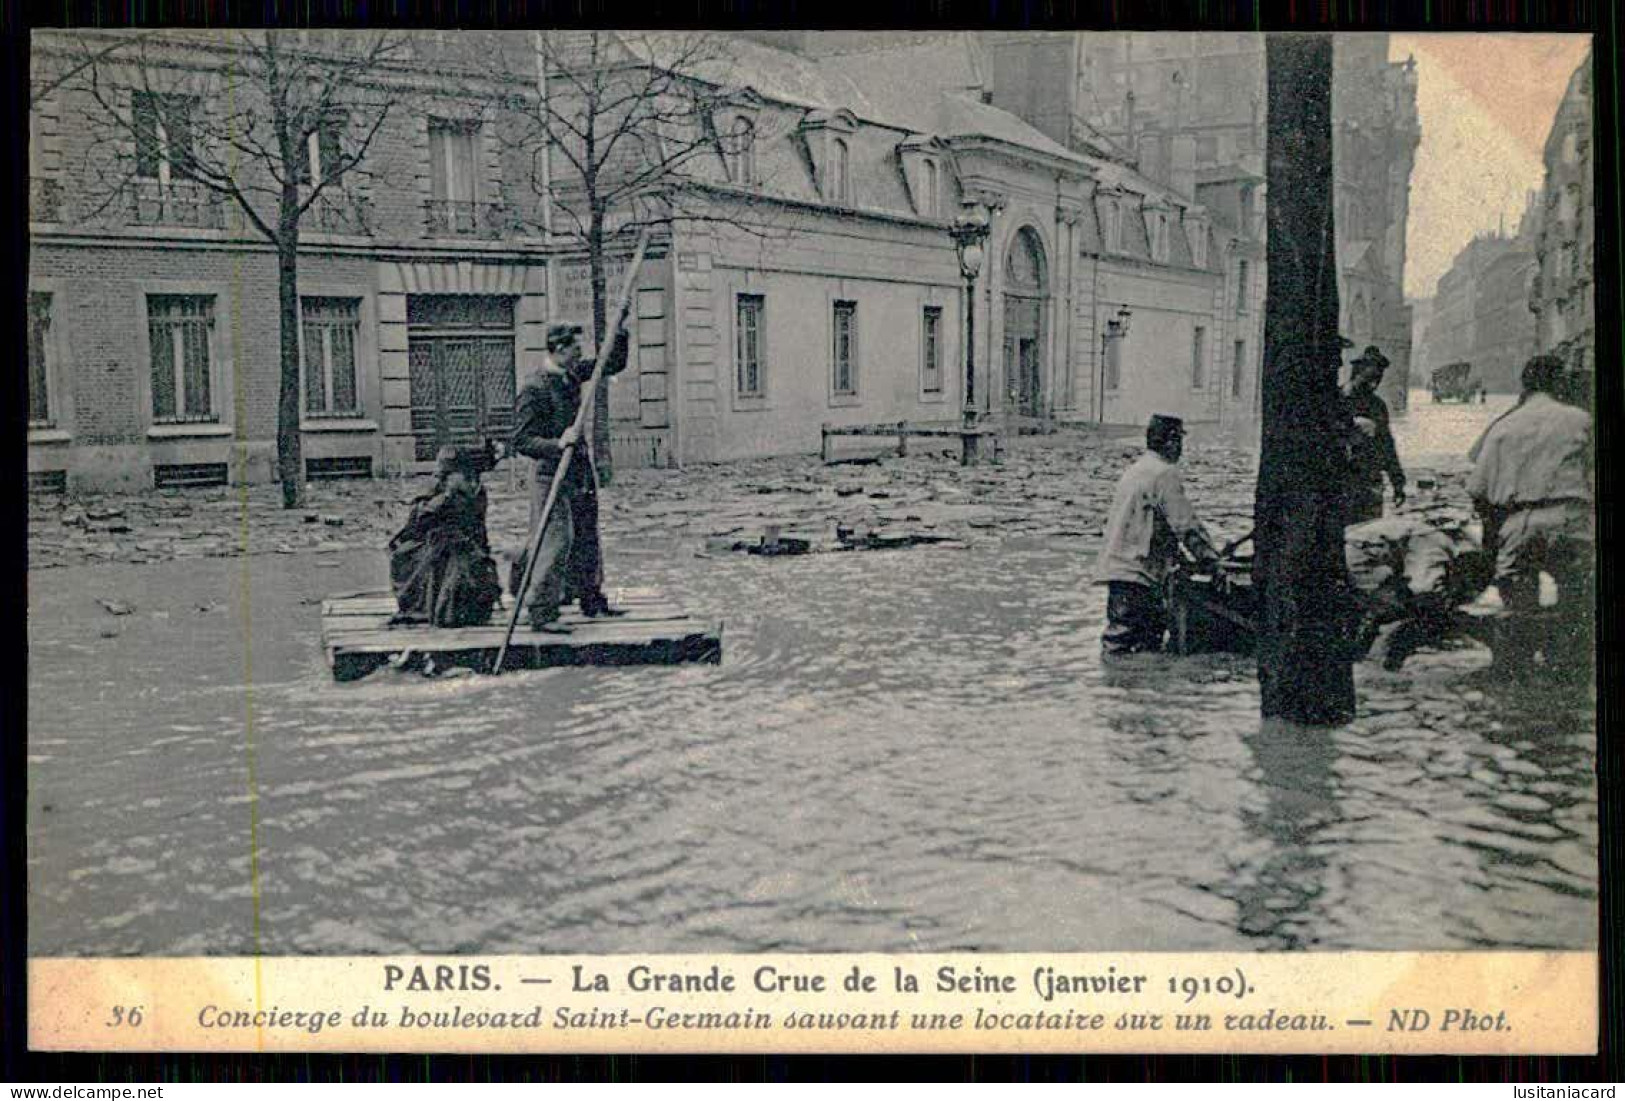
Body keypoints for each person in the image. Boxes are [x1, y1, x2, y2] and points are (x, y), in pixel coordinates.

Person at [1466, 353, 1593, 671]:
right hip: (1572, 519)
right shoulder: (1580, 419)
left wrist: (1491, 550)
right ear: (1559, 382)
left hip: (1520, 522)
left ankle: (1517, 669)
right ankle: (1568, 669)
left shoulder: (1503, 426)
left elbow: (1479, 492)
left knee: (1519, 607)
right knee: (1578, 602)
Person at [510, 319, 631, 631]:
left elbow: (611, 363)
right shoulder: (534, 388)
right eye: (576, 347)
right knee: (557, 539)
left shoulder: (571, 375)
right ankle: (542, 611)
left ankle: (592, 600)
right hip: (550, 474)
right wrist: (557, 443)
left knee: (587, 534)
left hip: (578, 472)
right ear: (559, 349)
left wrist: (619, 328)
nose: (581, 353)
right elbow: (521, 440)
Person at [1097, 414, 1221, 654]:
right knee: (1142, 647)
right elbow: (1186, 526)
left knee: (1119, 647)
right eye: (1180, 441)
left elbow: (1151, 526)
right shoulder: (1165, 474)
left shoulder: (1136, 470)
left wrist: (1182, 561)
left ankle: (1110, 689)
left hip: (1122, 573)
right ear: (1171, 442)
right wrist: (1212, 561)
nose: (1181, 449)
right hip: (1141, 578)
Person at [388, 443, 503, 628]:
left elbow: (479, 529)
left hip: (466, 552)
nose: (470, 482)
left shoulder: (477, 492)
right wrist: (445, 498)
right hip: (430, 552)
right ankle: (431, 606)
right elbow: (416, 524)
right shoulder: (438, 489)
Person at [1343, 344, 1406, 525]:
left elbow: (1386, 445)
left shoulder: (1378, 406)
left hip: (1370, 481)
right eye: (1370, 377)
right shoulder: (1339, 400)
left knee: (1368, 536)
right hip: (1342, 480)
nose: (1374, 383)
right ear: (1357, 372)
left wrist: (1398, 482)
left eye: (1378, 378)